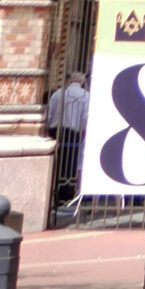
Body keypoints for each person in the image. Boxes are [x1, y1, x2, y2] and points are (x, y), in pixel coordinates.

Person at [43, 71, 90, 210]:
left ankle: (53, 189)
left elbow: (50, 113)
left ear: (70, 81)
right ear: (82, 82)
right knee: (69, 163)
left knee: (57, 161)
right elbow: (85, 117)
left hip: (55, 130)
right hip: (72, 132)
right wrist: (83, 131)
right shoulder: (86, 96)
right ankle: (66, 192)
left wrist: (47, 129)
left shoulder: (57, 93)